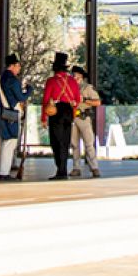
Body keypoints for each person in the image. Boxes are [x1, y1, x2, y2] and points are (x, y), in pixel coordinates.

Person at [41, 51, 80, 180]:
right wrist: (73, 112)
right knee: (65, 141)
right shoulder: (73, 81)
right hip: (68, 111)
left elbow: (46, 100)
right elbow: (77, 100)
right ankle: (63, 168)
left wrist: (43, 117)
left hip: (56, 111)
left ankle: (61, 169)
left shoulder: (51, 81)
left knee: (55, 141)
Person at [0, 53, 29, 180]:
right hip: (11, 113)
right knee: (10, 143)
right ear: (13, 66)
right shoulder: (13, 80)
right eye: (18, 65)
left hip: (1, 112)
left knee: (3, 142)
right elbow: (21, 97)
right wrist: (29, 91)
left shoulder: (0, 78)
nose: (19, 68)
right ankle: (4, 172)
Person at [69, 64, 101, 178]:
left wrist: (85, 100)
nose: (75, 79)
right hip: (73, 117)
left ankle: (94, 167)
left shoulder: (87, 88)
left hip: (84, 116)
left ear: (82, 77)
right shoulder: (69, 88)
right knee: (74, 144)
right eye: (73, 76)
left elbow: (97, 102)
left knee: (89, 143)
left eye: (77, 77)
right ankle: (76, 167)